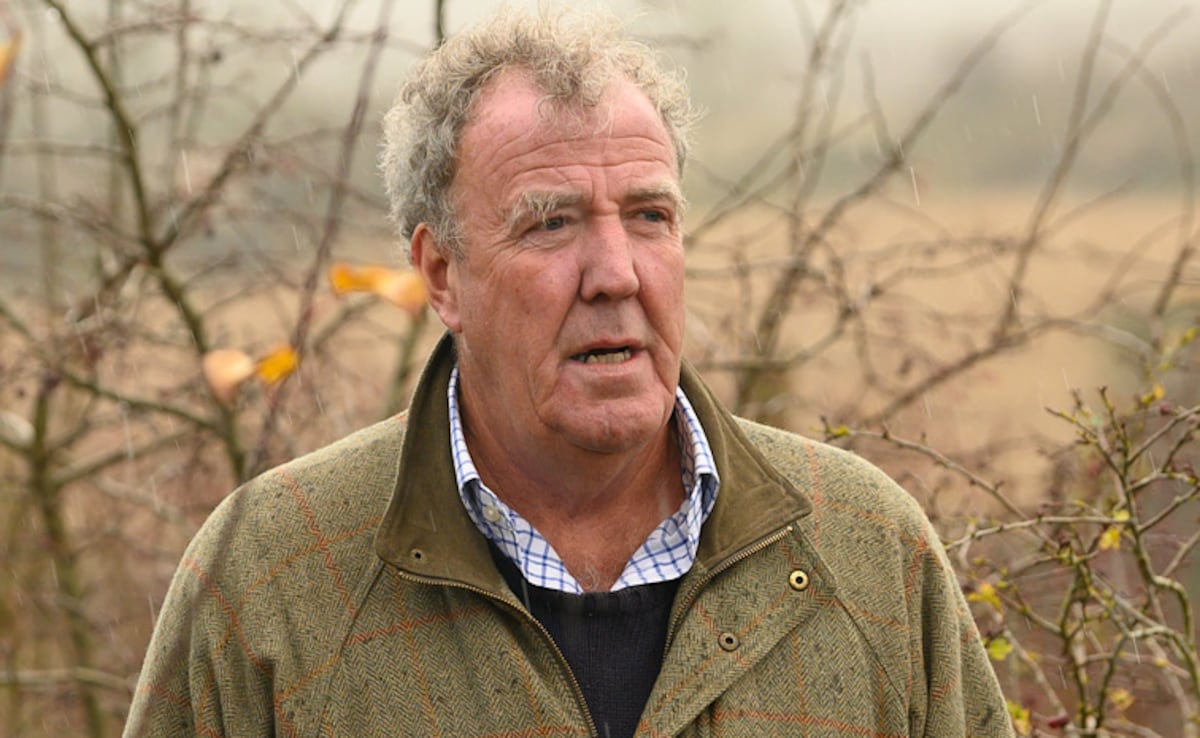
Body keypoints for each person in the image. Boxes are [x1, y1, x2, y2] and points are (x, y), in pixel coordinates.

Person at [125, 7, 1013, 737]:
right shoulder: (269, 580)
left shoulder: (866, 553)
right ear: (442, 274)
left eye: (649, 215)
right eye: (551, 223)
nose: (616, 273)